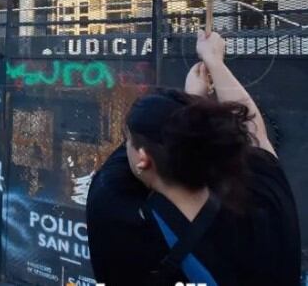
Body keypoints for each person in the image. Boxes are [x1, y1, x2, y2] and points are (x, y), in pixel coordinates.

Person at [87, 31, 301, 286]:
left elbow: (254, 134)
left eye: (129, 140)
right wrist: (214, 62)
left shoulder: (125, 226)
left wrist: (193, 101)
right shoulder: (263, 202)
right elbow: (257, 135)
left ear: (144, 159)